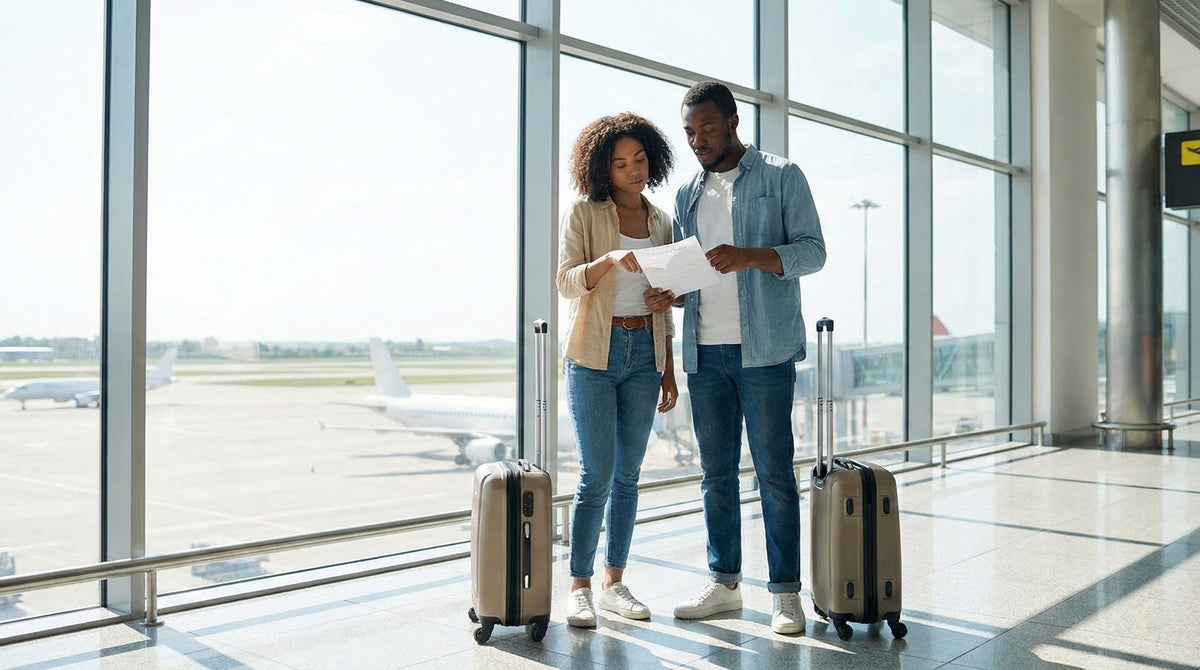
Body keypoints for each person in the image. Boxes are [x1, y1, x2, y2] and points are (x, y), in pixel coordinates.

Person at [643, 81, 825, 635]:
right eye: (690, 132)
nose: (697, 140)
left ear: (733, 120)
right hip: (705, 352)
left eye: (707, 128)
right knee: (715, 475)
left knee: (773, 474)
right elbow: (689, 272)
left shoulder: (781, 176)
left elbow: (813, 252)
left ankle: (786, 594)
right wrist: (669, 293)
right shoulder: (687, 194)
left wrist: (750, 256)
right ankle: (723, 584)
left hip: (764, 350)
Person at [556, 112, 679, 628]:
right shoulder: (585, 213)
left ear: (652, 160)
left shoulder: (662, 222)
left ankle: (615, 583)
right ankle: (579, 586)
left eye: (640, 160)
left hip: (645, 354)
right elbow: (565, 281)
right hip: (593, 356)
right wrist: (607, 260)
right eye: (620, 162)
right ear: (602, 168)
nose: (632, 170)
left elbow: (668, 302)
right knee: (597, 475)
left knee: (629, 476)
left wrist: (669, 368)